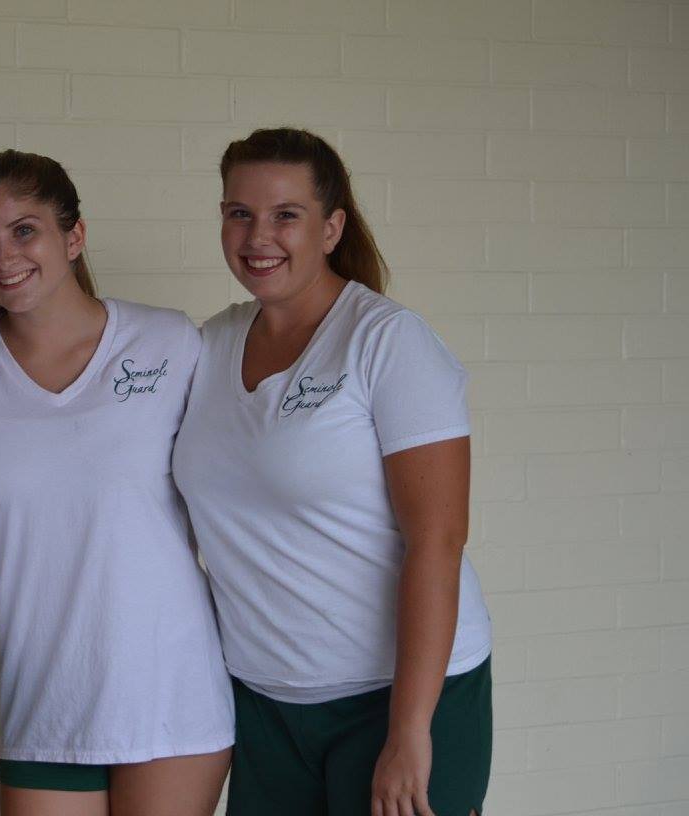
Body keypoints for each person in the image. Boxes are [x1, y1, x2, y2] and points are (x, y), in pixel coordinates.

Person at [172, 128, 492, 816]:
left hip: (399, 697)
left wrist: (410, 732)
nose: (258, 236)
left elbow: (438, 541)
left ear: (331, 227)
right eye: (239, 213)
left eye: (285, 214)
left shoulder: (386, 341)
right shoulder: (210, 343)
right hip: (265, 701)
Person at [0, 149, 234, 816]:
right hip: (45, 702)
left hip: (173, 694)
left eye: (25, 230)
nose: (4, 257)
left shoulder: (167, 342)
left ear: (73, 236)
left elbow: (236, 483)